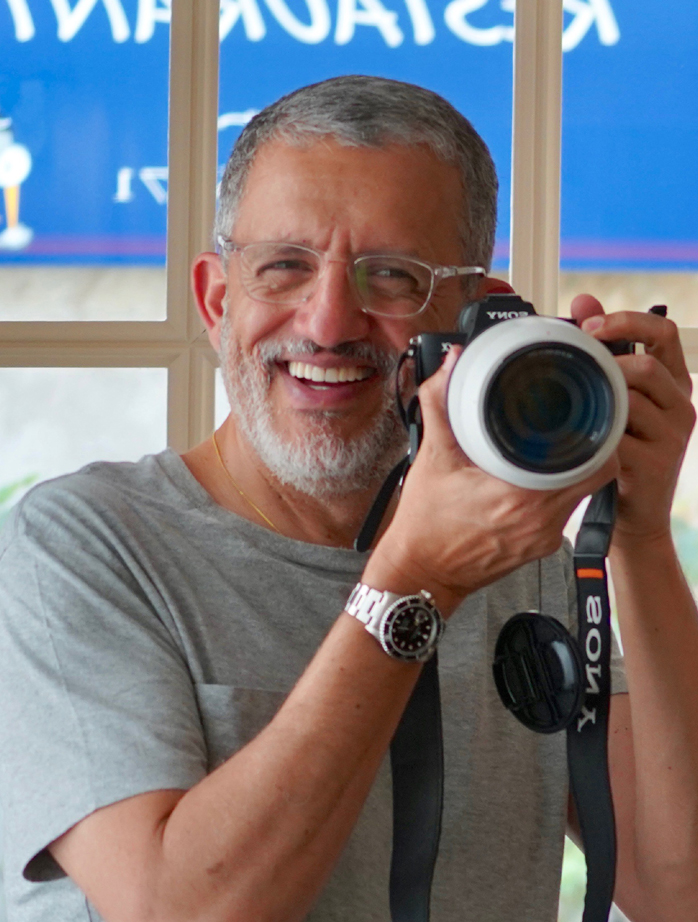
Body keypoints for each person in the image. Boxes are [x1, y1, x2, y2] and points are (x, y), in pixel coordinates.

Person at [1, 75, 697, 922]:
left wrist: (638, 539)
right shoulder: (81, 547)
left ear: (476, 317)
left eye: (393, 277)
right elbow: (177, 910)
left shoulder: (513, 556)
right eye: (284, 268)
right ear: (217, 302)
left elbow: (680, 888)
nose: (329, 322)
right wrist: (414, 585)